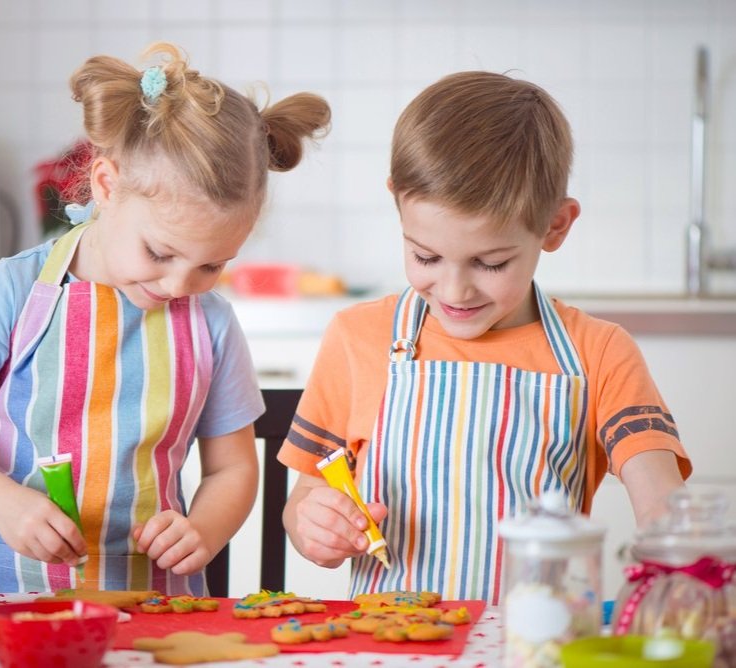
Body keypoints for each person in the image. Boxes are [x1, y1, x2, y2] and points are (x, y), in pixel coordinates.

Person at [0, 42, 330, 595]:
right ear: (106, 186)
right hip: (12, 593)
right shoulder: (16, 290)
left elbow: (232, 470)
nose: (178, 286)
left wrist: (203, 529)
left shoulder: (211, 322)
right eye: (160, 253)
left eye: (212, 265)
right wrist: (4, 503)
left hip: (157, 603)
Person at [278, 71, 690, 604]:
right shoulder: (359, 339)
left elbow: (661, 505)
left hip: (533, 647)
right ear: (397, 205)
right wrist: (316, 526)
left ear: (555, 227)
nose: (454, 289)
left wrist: (683, 576)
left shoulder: (599, 352)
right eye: (425, 256)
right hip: (391, 647)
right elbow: (304, 499)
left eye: (490, 263)